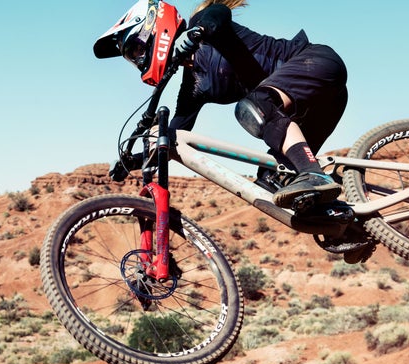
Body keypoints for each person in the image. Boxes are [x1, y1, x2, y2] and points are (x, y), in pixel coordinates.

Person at [93, 0, 348, 210]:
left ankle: (314, 174)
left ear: (152, 27)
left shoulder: (205, 29)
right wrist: (133, 161)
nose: (138, 59)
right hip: (313, 108)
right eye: (132, 58)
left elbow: (219, 13)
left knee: (254, 108)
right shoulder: (193, 87)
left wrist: (198, 31)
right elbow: (171, 138)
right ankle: (344, 222)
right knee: (271, 180)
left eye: (136, 49)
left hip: (316, 64)